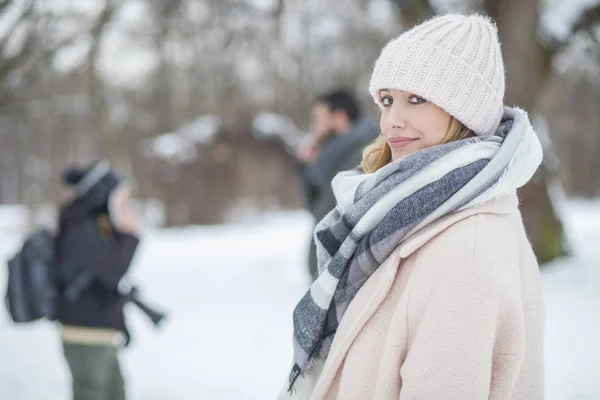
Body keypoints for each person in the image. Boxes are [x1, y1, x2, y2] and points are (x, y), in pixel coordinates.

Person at [281, 14, 545, 400]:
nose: (391, 121)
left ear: (464, 111)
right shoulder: (409, 207)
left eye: (416, 99)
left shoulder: (464, 248)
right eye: (387, 100)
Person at [55, 161, 140, 400]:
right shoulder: (80, 229)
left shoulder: (98, 227)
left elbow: (106, 280)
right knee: (91, 393)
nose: (126, 207)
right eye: (121, 200)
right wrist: (130, 235)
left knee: (116, 394)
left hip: (99, 330)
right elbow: (112, 270)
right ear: (104, 196)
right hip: (84, 332)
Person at [296, 89, 379, 279]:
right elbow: (317, 208)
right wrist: (305, 168)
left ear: (339, 118)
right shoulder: (333, 156)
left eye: (317, 119)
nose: (313, 127)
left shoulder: (363, 155)